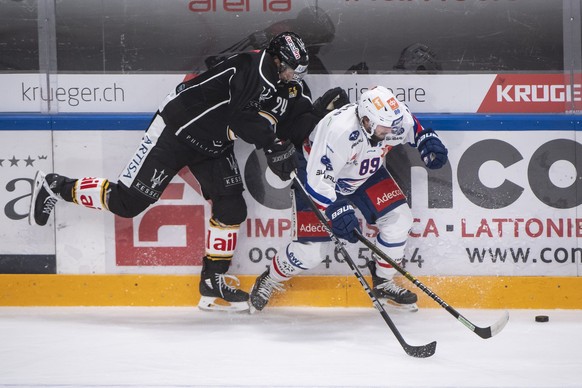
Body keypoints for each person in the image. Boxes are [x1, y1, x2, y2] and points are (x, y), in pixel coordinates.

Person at [28, 32, 309, 312]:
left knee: (231, 207)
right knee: (127, 203)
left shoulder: (277, 82)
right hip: (175, 132)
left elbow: (279, 116)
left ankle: (212, 281)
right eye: (291, 69)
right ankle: (56, 186)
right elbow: (241, 117)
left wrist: (305, 124)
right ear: (276, 59)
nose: (294, 76)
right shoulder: (255, 68)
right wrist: (272, 145)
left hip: (213, 144)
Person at [249, 86, 448, 313]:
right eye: (385, 127)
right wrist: (335, 209)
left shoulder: (391, 118)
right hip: (318, 176)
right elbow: (318, 182)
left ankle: (383, 282)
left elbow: (413, 126)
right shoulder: (339, 131)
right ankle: (270, 277)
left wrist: (426, 140)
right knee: (309, 253)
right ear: (365, 120)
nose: (392, 131)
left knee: (399, 220)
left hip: (364, 173)